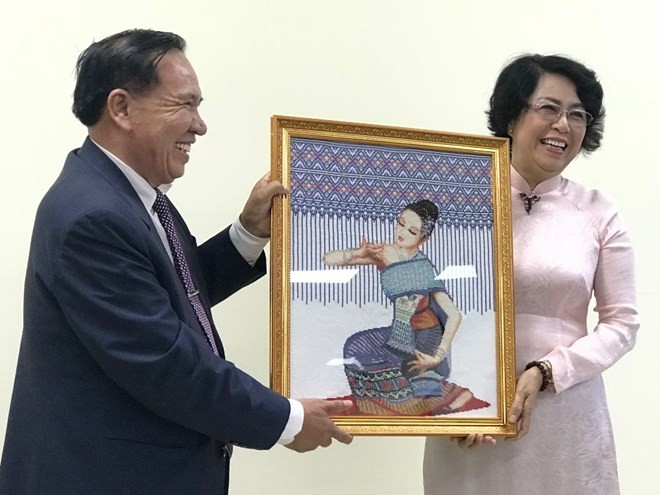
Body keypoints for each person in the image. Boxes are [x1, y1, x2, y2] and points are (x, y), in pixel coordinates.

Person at [0, 29, 352, 495]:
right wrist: (285, 420)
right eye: (184, 105)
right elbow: (163, 359)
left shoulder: (130, 196)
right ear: (121, 107)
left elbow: (171, 292)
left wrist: (247, 233)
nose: (199, 125)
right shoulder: (93, 215)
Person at [423, 54, 639, 494]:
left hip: (566, 411)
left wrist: (548, 369)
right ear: (512, 114)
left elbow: (623, 324)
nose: (564, 124)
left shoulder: (598, 210)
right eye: (549, 108)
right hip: (464, 413)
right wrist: (442, 397)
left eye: (578, 115)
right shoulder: (456, 202)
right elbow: (420, 305)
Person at [323, 200, 487, 416]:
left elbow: (454, 314)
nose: (401, 232)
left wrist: (438, 356)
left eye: (411, 230)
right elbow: (329, 260)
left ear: (424, 238)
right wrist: (357, 252)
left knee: (418, 383)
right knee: (355, 348)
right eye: (400, 224)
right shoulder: (385, 253)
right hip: (398, 334)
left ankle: (450, 392)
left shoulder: (424, 268)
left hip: (424, 338)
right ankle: (397, 397)